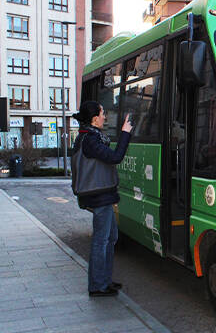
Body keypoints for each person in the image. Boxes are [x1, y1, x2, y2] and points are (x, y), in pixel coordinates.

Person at [72, 101, 132, 297]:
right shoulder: (90, 140)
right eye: (103, 113)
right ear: (94, 118)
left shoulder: (91, 137)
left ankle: (104, 280)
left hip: (102, 195)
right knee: (101, 240)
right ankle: (98, 285)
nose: (105, 116)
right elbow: (115, 157)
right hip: (99, 196)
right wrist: (125, 133)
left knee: (110, 238)